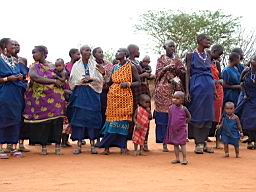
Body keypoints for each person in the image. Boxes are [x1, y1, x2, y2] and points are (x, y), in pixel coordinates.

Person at [96, 48, 140, 155]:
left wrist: (128, 84)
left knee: (123, 123)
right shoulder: (115, 67)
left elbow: (138, 82)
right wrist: (103, 74)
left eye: (119, 51)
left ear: (125, 54)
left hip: (125, 98)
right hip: (113, 98)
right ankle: (106, 148)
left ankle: (123, 147)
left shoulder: (131, 66)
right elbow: (109, 82)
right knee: (110, 123)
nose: (117, 53)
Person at [23, 46, 65, 155]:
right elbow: (34, 77)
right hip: (41, 100)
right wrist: (53, 81)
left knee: (57, 121)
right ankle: (44, 146)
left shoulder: (52, 65)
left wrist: (60, 80)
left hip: (56, 99)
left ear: (43, 53)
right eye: (32, 53)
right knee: (43, 122)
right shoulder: (33, 66)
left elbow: (63, 77)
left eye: (35, 52)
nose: (33, 55)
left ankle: (57, 146)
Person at [68, 45, 104, 155]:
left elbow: (100, 79)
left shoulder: (95, 65)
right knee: (79, 119)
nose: (88, 52)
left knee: (92, 118)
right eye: (86, 50)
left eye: (89, 50)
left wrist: (92, 78)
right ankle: (79, 145)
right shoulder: (76, 65)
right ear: (81, 52)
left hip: (92, 94)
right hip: (80, 94)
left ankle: (93, 145)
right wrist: (81, 80)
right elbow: (72, 79)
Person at [185, 34, 215, 154]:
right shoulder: (191, 55)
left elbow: (210, 72)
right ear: (199, 41)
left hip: (208, 86)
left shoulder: (208, 55)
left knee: (208, 114)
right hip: (196, 86)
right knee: (197, 113)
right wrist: (187, 91)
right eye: (206, 39)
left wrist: (213, 89)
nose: (209, 41)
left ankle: (203, 142)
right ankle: (198, 143)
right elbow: (187, 73)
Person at [155, 40, 185, 152]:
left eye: (174, 46)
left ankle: (176, 142)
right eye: (170, 46)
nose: (173, 48)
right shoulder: (161, 59)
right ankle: (164, 143)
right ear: (165, 47)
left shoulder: (177, 59)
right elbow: (158, 74)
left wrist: (175, 69)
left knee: (175, 117)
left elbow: (183, 73)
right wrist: (166, 68)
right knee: (163, 118)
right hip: (163, 91)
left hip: (175, 91)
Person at [0, 38, 26, 159]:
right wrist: (7, 79)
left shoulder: (15, 61)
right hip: (4, 94)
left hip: (16, 94)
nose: (14, 47)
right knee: (3, 118)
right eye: (12, 44)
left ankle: (13, 147)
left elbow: (21, 74)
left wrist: (19, 77)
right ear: (4, 46)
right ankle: (0, 148)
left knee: (15, 119)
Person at [164, 91, 191, 165]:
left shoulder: (184, 109)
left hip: (181, 130)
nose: (174, 100)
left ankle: (184, 159)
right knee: (175, 145)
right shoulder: (171, 108)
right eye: (173, 98)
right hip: (173, 130)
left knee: (182, 144)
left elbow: (189, 117)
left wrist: (185, 123)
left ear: (182, 100)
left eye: (177, 98)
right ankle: (177, 158)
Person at [93, 47, 114, 135]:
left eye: (102, 52)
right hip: (95, 92)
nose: (101, 53)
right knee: (97, 112)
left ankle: (105, 134)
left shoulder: (109, 64)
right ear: (94, 55)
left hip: (107, 91)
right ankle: (97, 135)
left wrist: (106, 80)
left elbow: (112, 76)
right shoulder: (92, 65)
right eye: (99, 52)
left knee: (106, 112)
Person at [62, 49, 81, 146]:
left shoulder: (81, 66)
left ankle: (79, 138)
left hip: (78, 93)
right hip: (67, 93)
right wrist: (65, 91)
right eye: (78, 54)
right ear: (72, 55)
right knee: (66, 116)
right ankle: (64, 140)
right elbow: (63, 79)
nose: (80, 55)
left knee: (76, 115)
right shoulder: (66, 66)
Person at [239, 55, 256, 149]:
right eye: (252, 59)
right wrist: (244, 94)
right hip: (248, 98)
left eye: (254, 60)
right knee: (249, 119)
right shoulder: (246, 71)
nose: (252, 62)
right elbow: (241, 83)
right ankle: (251, 140)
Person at [209, 44, 224, 148]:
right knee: (208, 113)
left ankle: (217, 141)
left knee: (217, 115)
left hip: (218, 91)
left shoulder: (216, 63)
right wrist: (216, 81)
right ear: (213, 51)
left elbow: (220, 77)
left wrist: (218, 81)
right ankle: (205, 137)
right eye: (219, 54)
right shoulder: (204, 62)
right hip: (208, 90)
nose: (219, 57)